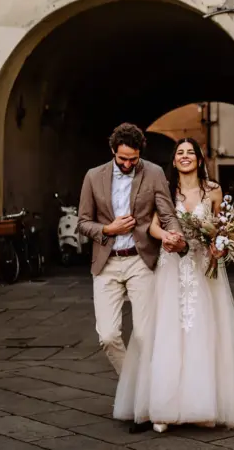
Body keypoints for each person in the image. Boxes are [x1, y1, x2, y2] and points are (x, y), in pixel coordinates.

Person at [113, 137, 234, 432]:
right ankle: (162, 408)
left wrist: (219, 246)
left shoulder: (213, 191)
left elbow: (221, 227)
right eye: (180, 153)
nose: (185, 156)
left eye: (191, 152)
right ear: (174, 161)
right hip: (170, 267)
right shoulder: (163, 188)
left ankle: (203, 404)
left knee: (202, 330)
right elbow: (152, 224)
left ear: (200, 160)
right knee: (165, 331)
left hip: (201, 269)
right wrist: (165, 237)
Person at [77, 123, 188, 433]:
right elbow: (83, 222)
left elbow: (167, 213)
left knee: (144, 336)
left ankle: (147, 402)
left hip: (141, 261)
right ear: (113, 151)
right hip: (107, 263)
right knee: (108, 335)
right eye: (123, 159)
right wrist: (107, 230)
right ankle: (138, 390)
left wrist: (176, 237)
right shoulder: (93, 177)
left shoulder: (152, 173)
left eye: (133, 159)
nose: (128, 164)